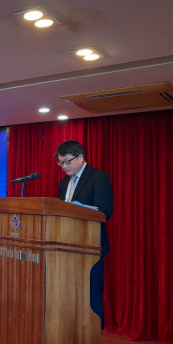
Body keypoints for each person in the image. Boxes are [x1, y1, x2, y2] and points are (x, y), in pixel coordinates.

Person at [55, 140, 113, 329]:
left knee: (90, 293)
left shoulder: (98, 177)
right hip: (66, 246)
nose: (64, 166)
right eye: (61, 162)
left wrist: (81, 209)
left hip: (90, 246)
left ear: (80, 157)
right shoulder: (64, 182)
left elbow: (105, 212)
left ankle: (93, 335)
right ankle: (71, 332)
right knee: (69, 294)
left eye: (68, 161)